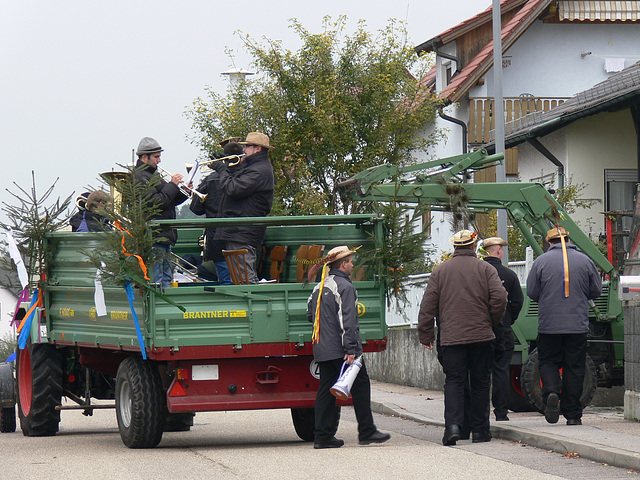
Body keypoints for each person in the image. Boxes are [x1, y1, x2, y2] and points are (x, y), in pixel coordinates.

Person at [418, 230, 507, 446]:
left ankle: (453, 427)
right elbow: (500, 297)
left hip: (451, 339)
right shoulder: (486, 269)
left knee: (454, 382)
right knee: (480, 382)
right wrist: (491, 321)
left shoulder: (440, 271)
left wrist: (426, 335)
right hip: (481, 336)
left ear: (455, 247)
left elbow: (427, 307)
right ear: (473, 244)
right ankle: (480, 431)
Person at [306, 246, 390, 449]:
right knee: (361, 386)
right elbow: (348, 321)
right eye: (351, 261)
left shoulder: (319, 287)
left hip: (323, 347)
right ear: (343, 264)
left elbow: (310, 314)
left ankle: (322, 436)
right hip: (341, 349)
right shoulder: (345, 286)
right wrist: (351, 349)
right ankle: (366, 431)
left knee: (326, 390)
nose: (353, 264)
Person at [526, 226, 602, 426]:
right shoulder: (586, 261)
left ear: (550, 242)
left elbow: (532, 292)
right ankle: (573, 414)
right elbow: (596, 291)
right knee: (575, 367)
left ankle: (551, 391)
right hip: (577, 325)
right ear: (568, 240)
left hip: (549, 325)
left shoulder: (540, 262)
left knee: (548, 361)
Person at [211, 132, 274, 284]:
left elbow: (233, 188)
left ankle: (255, 307)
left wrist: (222, 170)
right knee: (240, 279)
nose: (244, 150)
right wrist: (229, 167)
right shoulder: (254, 167)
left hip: (243, 232)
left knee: (245, 280)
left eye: (247, 147)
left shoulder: (259, 170)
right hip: (239, 231)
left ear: (258, 148)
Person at [133, 136, 189, 289]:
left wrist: (185, 191)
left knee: (166, 278)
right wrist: (172, 184)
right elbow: (157, 202)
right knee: (158, 279)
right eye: (156, 157)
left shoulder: (153, 175)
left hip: (163, 236)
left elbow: (169, 200)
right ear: (145, 157)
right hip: (155, 237)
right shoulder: (140, 177)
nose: (159, 161)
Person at [190, 141, 244, 285]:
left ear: (223, 158)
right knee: (242, 281)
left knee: (225, 281)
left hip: (216, 240)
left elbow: (195, 208)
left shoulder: (211, 178)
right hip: (241, 238)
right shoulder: (247, 177)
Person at [482, 237, 524, 422]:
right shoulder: (508, 274)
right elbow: (518, 301)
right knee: (501, 370)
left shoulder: (477, 273)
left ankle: (480, 412)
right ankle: (501, 412)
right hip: (502, 328)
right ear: (499, 251)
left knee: (480, 371)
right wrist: (508, 319)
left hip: (480, 329)